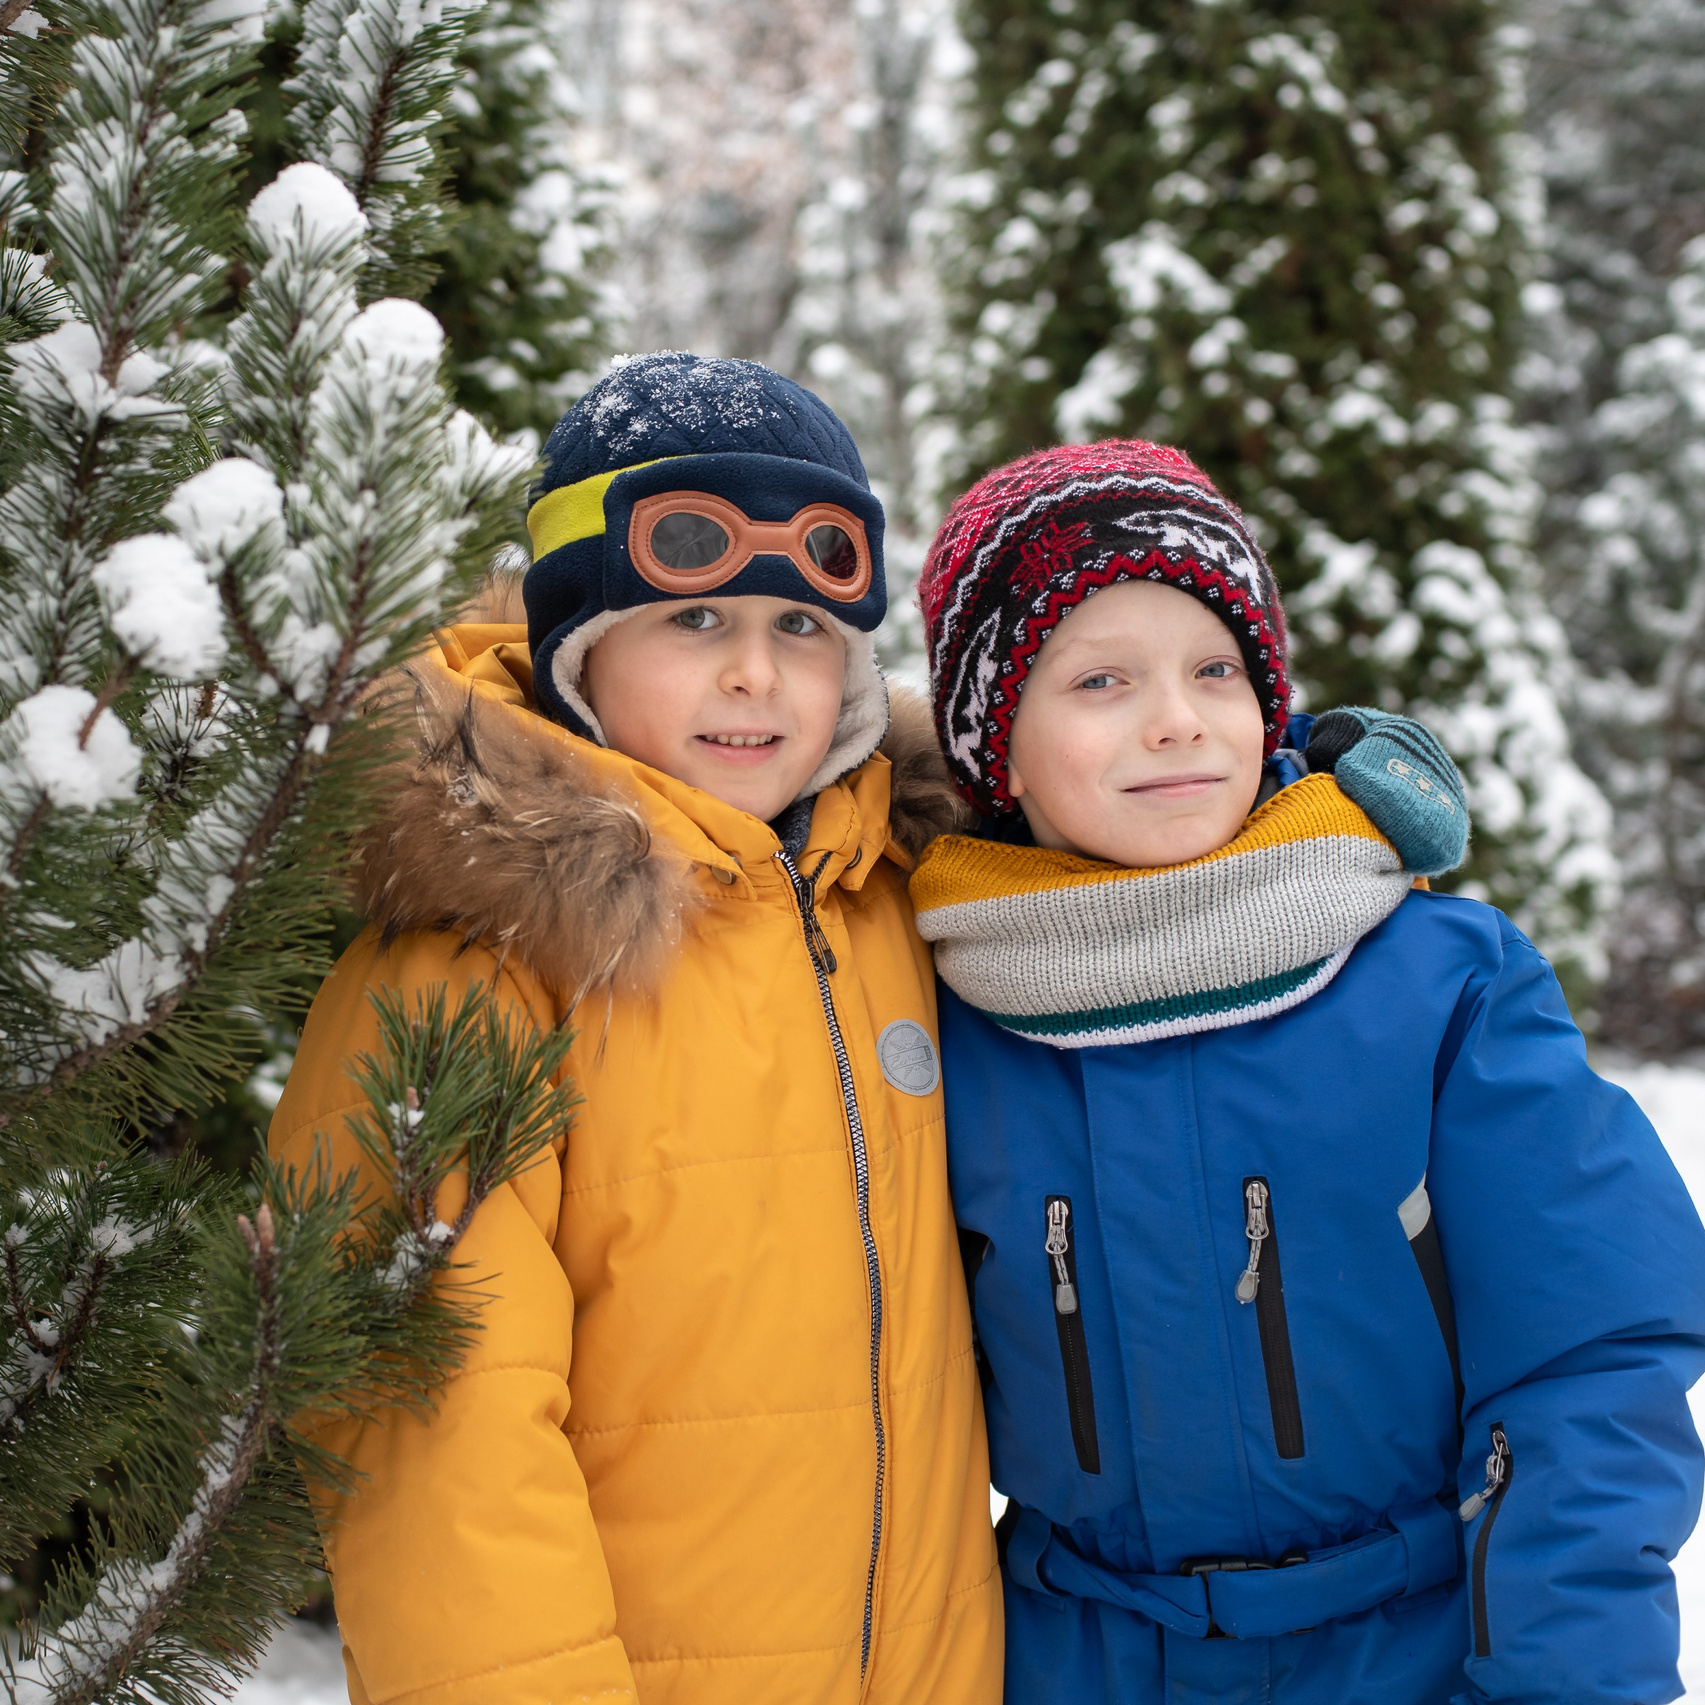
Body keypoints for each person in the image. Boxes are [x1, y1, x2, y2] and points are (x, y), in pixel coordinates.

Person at [909, 438, 1705, 1705]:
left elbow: (1586, 1357)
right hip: (1075, 1658)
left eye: (1214, 669)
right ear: (992, 746)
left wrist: (1569, 1680)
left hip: (1416, 1651)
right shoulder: (943, 1023)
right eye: (1101, 678)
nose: (1177, 718)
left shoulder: (1439, 987)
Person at [267, 353, 1001, 1705]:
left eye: (800, 627)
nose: (754, 676)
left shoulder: (895, 896)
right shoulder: (479, 963)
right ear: (577, 648)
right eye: (695, 618)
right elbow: (434, 1447)